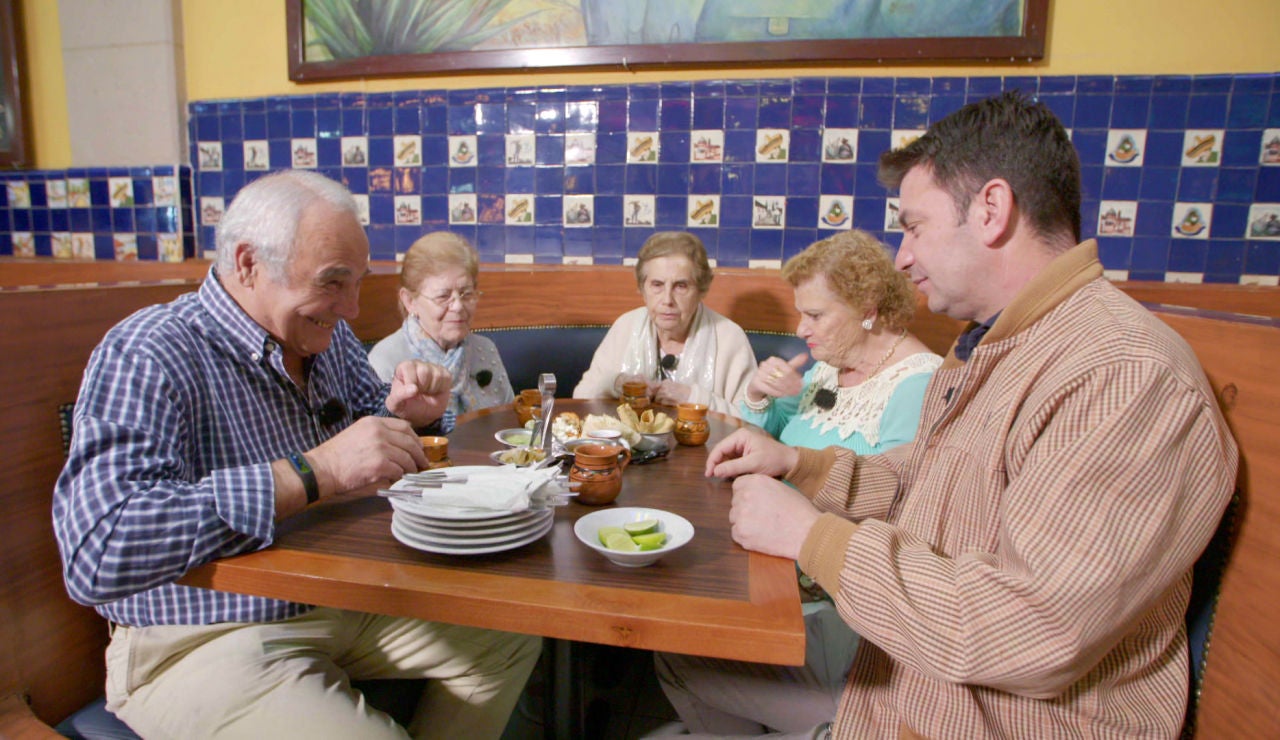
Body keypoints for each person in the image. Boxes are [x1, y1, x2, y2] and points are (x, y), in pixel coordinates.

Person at [699, 92, 1238, 738]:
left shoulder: (1122, 375)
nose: (902, 257)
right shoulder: (996, 345)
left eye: (914, 227)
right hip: (906, 691)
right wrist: (800, 464)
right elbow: (923, 483)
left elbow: (1033, 628)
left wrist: (813, 538)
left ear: (991, 210)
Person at [52, 170, 540, 739]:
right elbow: (98, 551)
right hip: (198, 633)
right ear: (248, 264)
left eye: (357, 283)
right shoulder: (149, 350)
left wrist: (407, 416)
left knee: (511, 634)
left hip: (331, 600)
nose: (352, 308)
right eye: (333, 281)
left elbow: (367, 431)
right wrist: (316, 471)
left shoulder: (325, 340)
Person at [656, 230, 942, 734]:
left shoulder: (918, 384)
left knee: (676, 649)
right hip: (770, 567)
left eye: (814, 315)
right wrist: (758, 407)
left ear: (867, 308)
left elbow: (899, 506)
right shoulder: (830, 368)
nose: (800, 328)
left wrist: (786, 469)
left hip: (833, 606)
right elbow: (777, 433)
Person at [573, 231, 756, 415]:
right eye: (657, 285)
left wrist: (693, 398)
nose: (667, 299)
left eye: (681, 286)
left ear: (701, 290)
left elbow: (751, 420)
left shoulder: (729, 337)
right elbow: (580, 397)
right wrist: (616, 384)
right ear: (642, 289)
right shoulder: (626, 326)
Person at [368, 231, 514, 417]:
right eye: (443, 296)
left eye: (466, 294)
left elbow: (510, 422)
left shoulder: (485, 349)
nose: (458, 306)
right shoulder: (384, 361)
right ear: (410, 301)